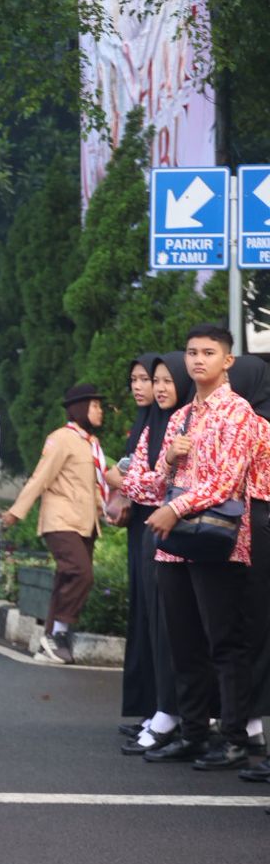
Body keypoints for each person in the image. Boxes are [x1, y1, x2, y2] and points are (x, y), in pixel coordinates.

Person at [143, 324, 255, 770]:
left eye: (209, 352)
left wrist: (176, 508)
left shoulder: (238, 412)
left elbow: (227, 481)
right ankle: (192, 733)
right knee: (184, 642)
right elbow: (158, 483)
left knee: (225, 642)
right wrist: (169, 459)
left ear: (227, 361)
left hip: (217, 541)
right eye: (192, 352)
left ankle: (234, 739)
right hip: (174, 543)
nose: (198, 360)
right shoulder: (180, 417)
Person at [2, 384, 111, 663]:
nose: (100, 411)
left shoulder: (91, 443)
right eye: (95, 405)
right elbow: (40, 477)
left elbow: (95, 481)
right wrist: (16, 512)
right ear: (79, 408)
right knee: (81, 573)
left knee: (66, 578)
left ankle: (49, 642)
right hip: (61, 520)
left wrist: (107, 507)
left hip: (85, 522)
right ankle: (58, 635)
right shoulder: (61, 439)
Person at [118, 354, 192, 755]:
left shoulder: (189, 422)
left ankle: (180, 716)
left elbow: (154, 484)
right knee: (154, 623)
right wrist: (161, 468)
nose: (156, 388)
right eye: (152, 380)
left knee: (175, 628)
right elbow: (137, 485)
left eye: (164, 380)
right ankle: (162, 711)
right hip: (152, 531)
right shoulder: (155, 424)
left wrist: (152, 477)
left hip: (185, 535)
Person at [227, 355, 270, 779]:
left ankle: (248, 727)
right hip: (249, 530)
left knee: (249, 630)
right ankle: (248, 726)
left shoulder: (253, 425)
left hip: (252, 530)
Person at [117, 356, 159, 728]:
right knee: (143, 615)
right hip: (140, 525)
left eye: (147, 379)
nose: (140, 387)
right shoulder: (143, 421)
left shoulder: (169, 421)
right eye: (135, 379)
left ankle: (164, 711)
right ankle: (149, 710)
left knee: (159, 619)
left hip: (161, 525)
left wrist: (121, 481)